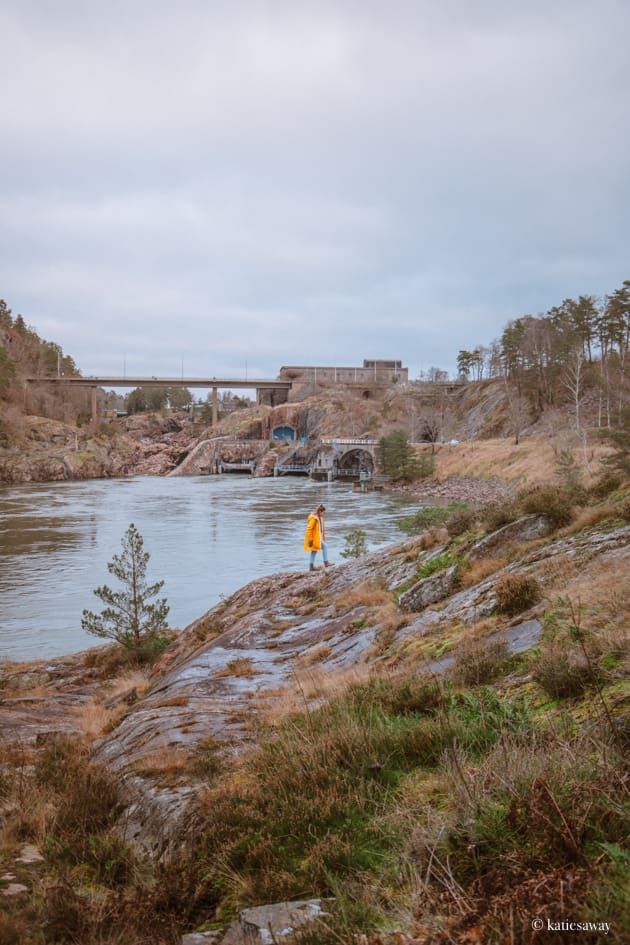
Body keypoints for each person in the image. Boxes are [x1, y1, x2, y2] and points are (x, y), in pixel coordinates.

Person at [304, 503, 332, 571]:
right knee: (325, 546)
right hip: (314, 538)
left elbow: (321, 530)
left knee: (314, 551)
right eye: (323, 512)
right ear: (319, 511)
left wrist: (323, 538)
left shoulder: (320, 518)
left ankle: (311, 566)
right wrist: (310, 538)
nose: (323, 514)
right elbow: (309, 528)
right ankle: (326, 562)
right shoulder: (314, 518)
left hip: (318, 537)